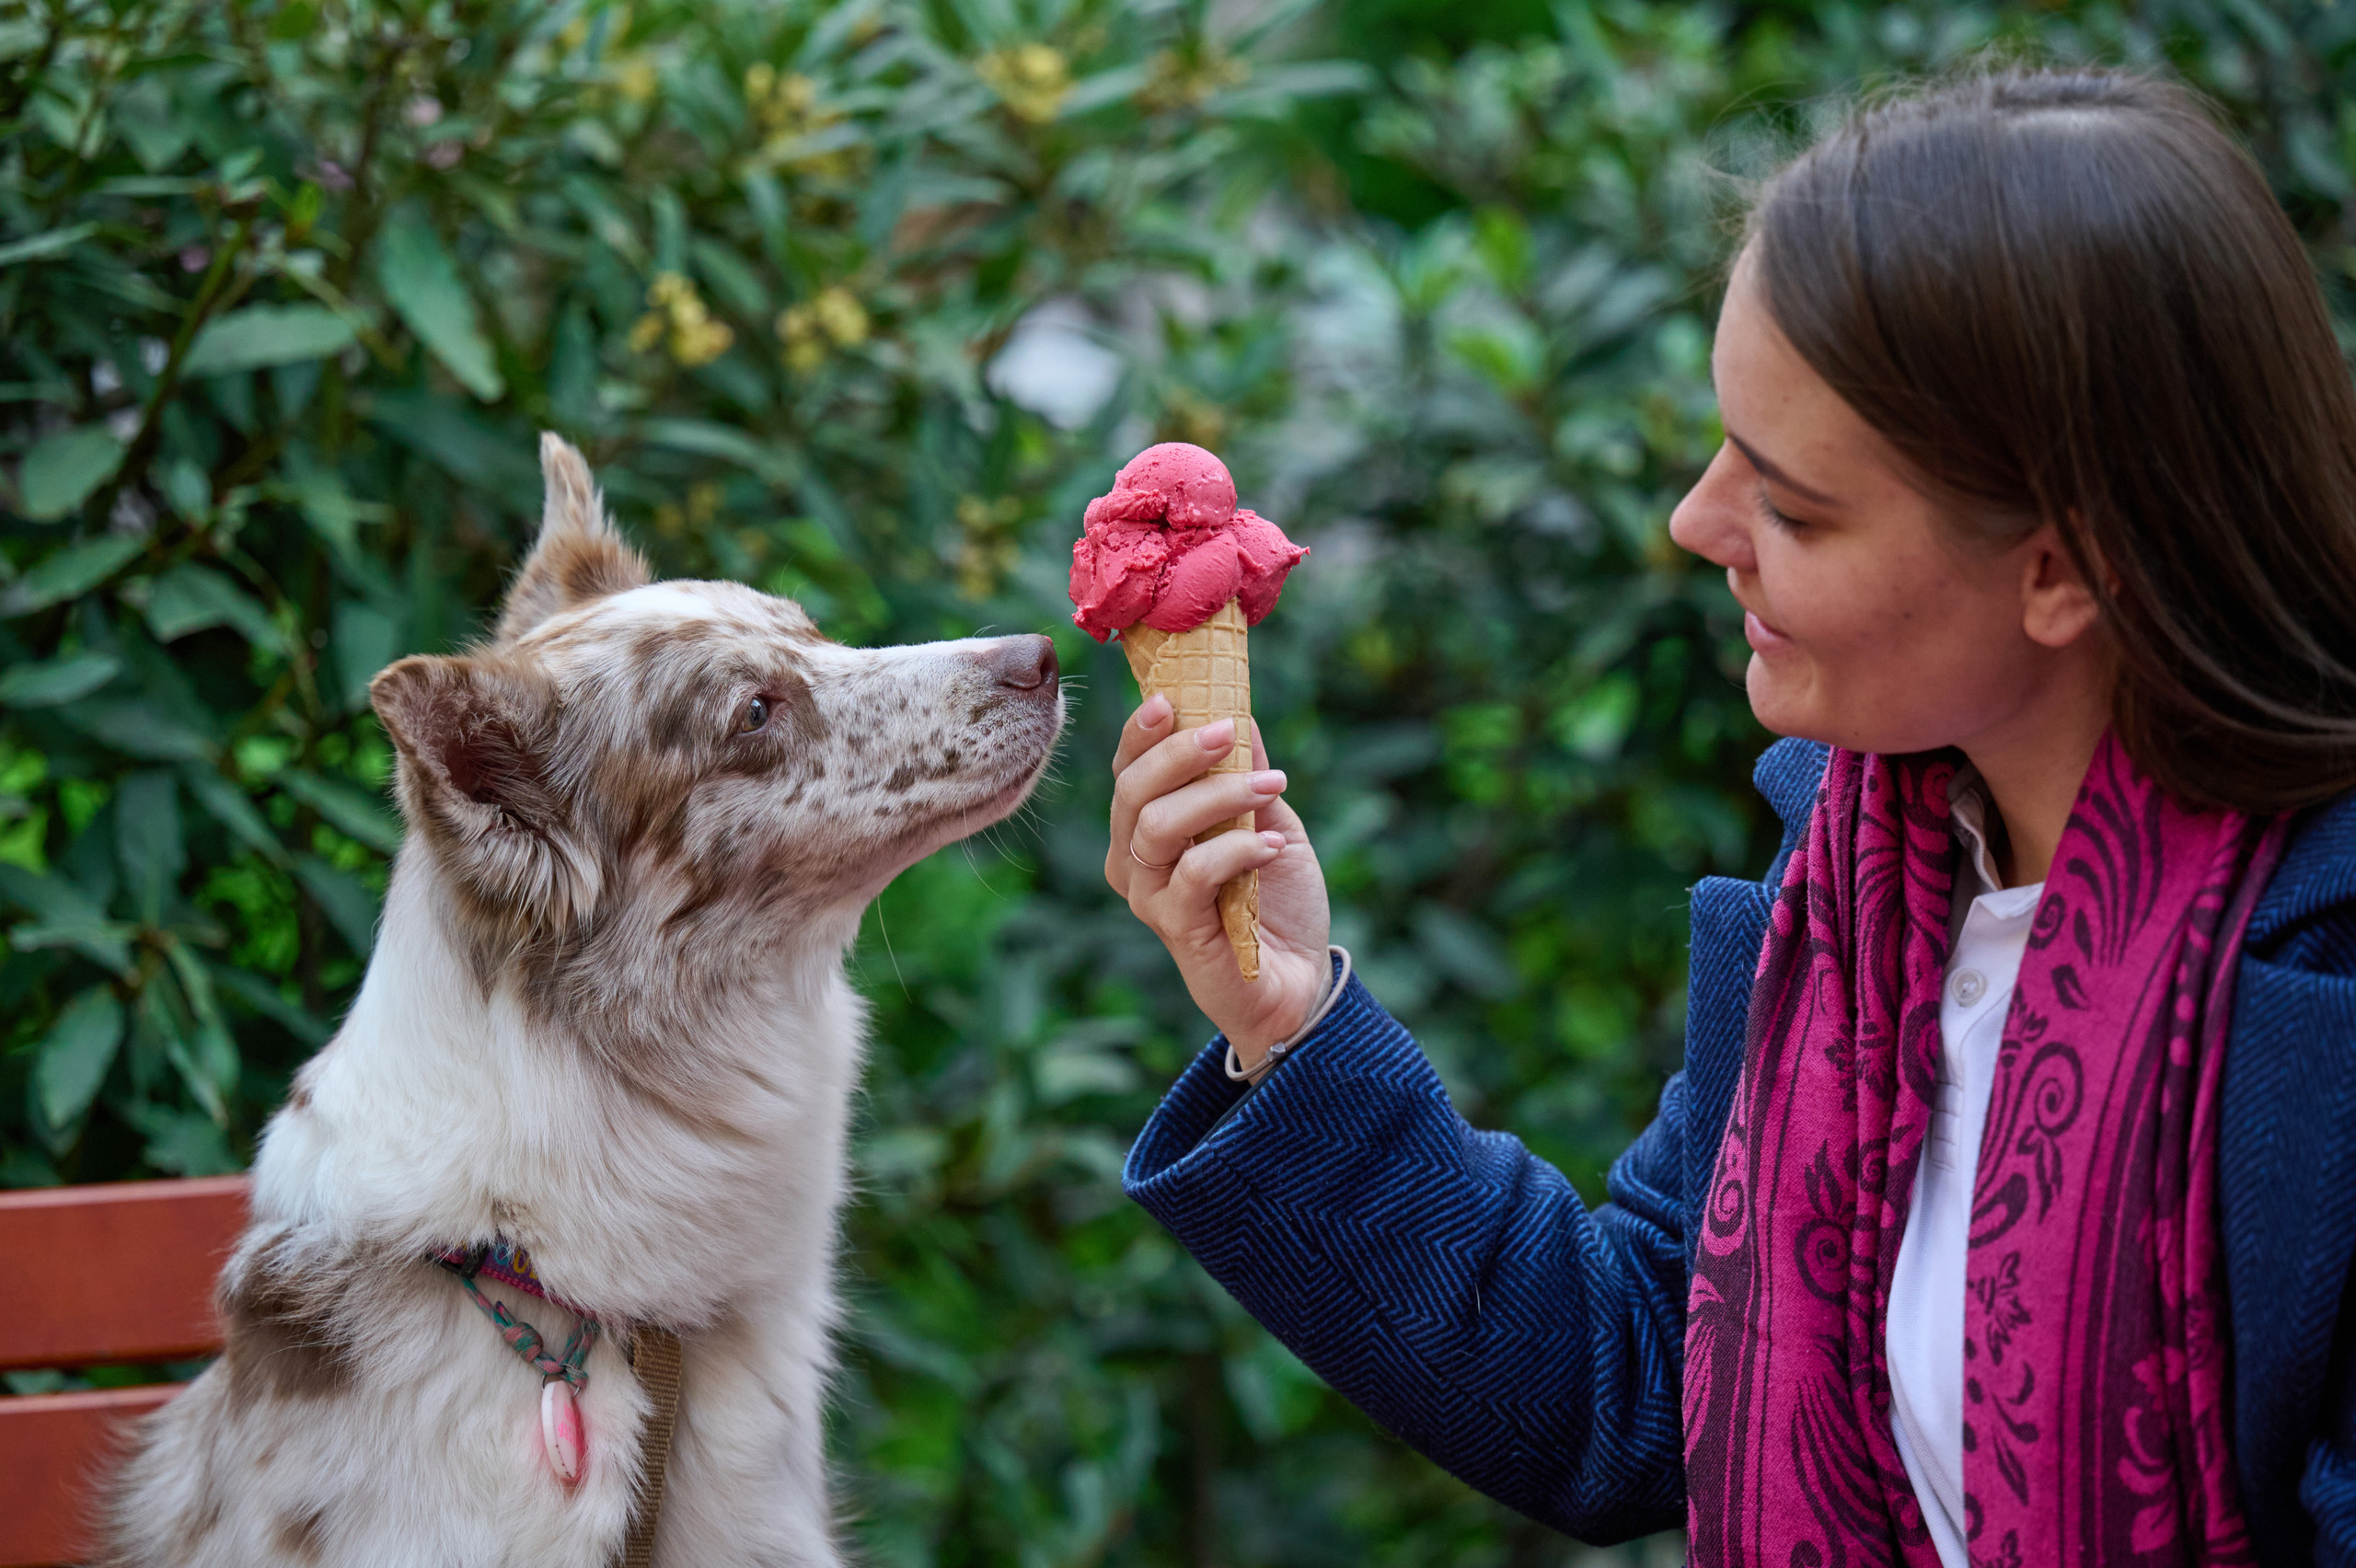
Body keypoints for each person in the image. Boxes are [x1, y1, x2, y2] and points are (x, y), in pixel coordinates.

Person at [1103, 67, 2356, 1568]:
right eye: (1723, 451)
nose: (1697, 526)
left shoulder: (2317, 989)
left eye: (1794, 505)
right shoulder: (1862, 888)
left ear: (2065, 567)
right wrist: (1289, 1020)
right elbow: (1640, 1376)